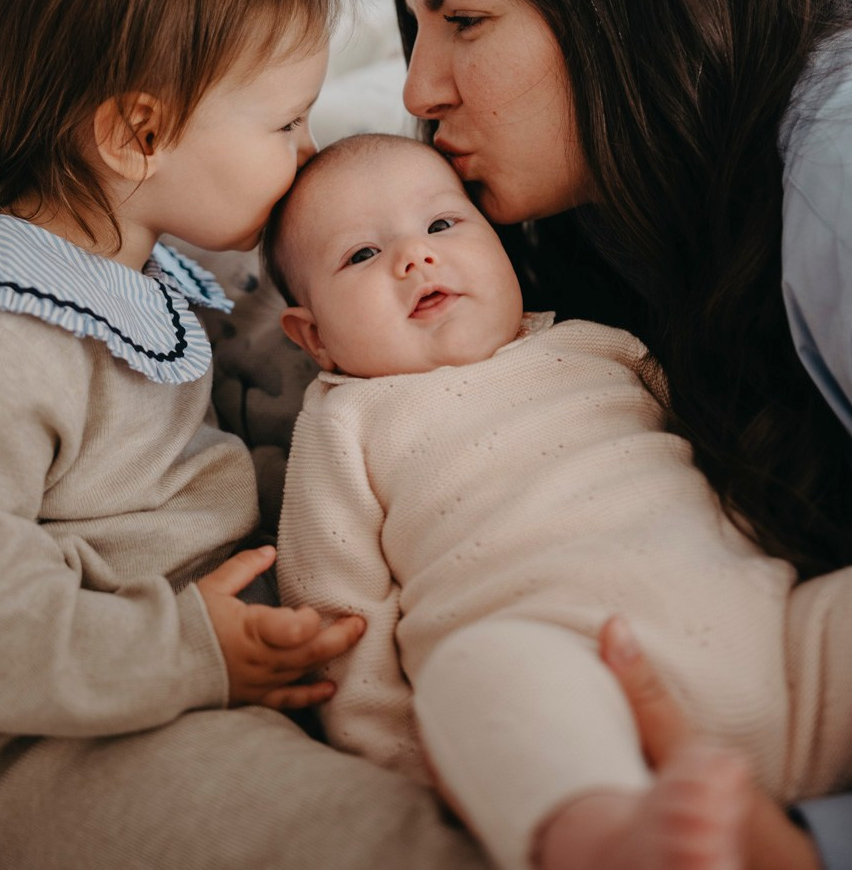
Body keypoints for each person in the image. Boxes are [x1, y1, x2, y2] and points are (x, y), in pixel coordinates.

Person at [0, 0, 488, 870]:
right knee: (373, 843)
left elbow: (219, 463)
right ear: (138, 136)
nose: (307, 149)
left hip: (217, 672)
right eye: (285, 125)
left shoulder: (148, 275)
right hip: (76, 754)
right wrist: (187, 651)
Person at [382, 0, 852, 870]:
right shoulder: (602, 233)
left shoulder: (832, 161)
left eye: (466, 19)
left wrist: (804, 846)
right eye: (415, 29)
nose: (415, 89)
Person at [268, 130, 852, 870]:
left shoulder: (601, 344)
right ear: (313, 336)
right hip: (573, 700)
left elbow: (720, 458)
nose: (415, 257)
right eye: (360, 255)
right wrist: (439, 769)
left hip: (781, 648)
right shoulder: (347, 419)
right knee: (474, 671)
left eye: (443, 224)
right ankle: (605, 838)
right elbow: (340, 615)